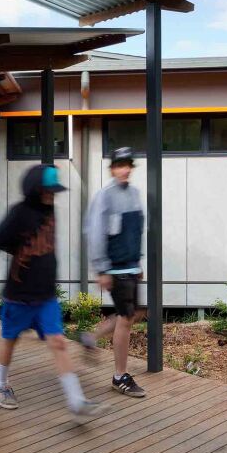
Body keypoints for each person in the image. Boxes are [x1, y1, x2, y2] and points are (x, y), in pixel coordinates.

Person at [0, 164, 104, 419]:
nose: (51, 195)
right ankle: (1, 385)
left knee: (58, 342)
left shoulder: (50, 210)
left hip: (46, 297)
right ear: (35, 189)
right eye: (47, 190)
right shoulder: (19, 213)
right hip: (19, 297)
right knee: (10, 340)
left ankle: (77, 401)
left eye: (54, 191)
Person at [82, 146, 147, 398]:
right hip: (115, 267)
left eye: (128, 165)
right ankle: (120, 376)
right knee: (126, 317)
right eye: (120, 165)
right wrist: (101, 268)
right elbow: (95, 232)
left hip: (131, 265)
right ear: (112, 169)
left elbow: (136, 231)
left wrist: (138, 263)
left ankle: (92, 337)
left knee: (134, 313)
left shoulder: (135, 194)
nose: (125, 169)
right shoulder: (105, 196)